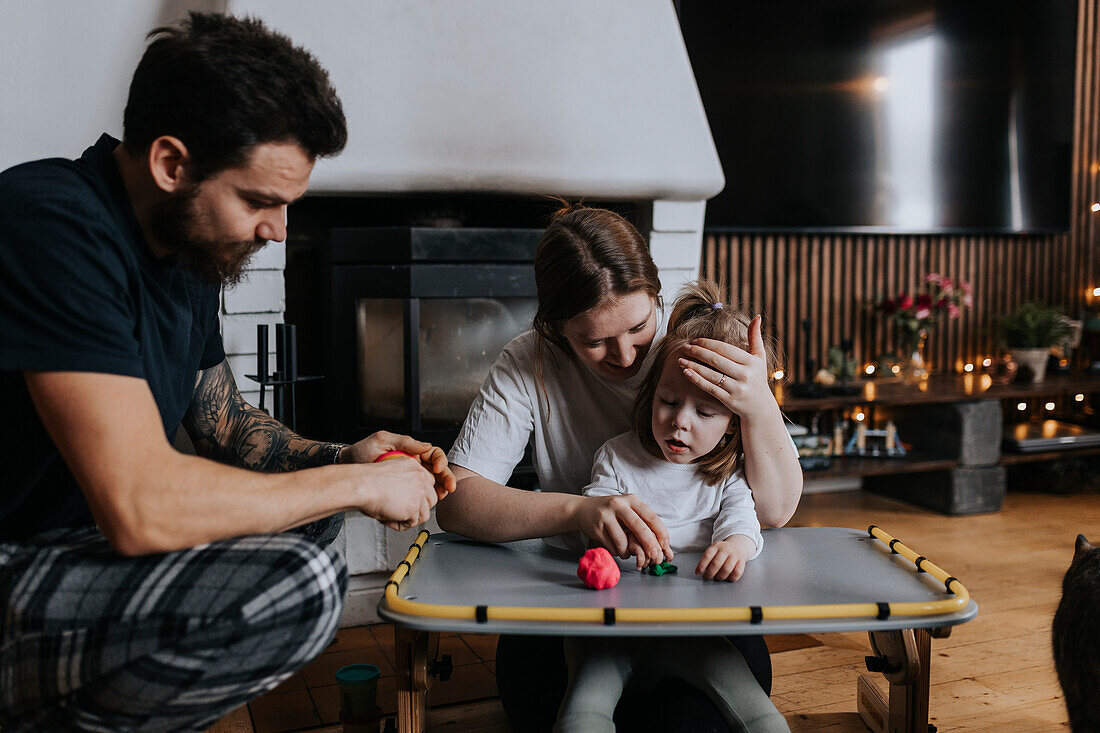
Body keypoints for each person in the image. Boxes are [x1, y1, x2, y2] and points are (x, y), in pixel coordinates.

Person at [0, 13, 453, 731]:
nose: (277, 230)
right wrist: (362, 485)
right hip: (17, 560)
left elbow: (228, 425)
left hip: (80, 552)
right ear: (171, 164)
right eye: (259, 201)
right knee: (297, 583)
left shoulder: (190, 251)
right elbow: (140, 503)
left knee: (312, 533)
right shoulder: (51, 225)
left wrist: (349, 456)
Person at [438, 204, 803, 731]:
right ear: (555, 327)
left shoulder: (695, 352)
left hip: (697, 609)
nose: (627, 356)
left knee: (696, 720)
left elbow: (774, 510)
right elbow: (455, 500)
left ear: (656, 295)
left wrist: (759, 404)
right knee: (556, 707)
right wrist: (580, 512)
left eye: (638, 326)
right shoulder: (529, 362)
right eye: (594, 340)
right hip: (578, 604)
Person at [556, 280, 789, 733]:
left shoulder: (726, 477)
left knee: (760, 715)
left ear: (731, 427)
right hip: (611, 632)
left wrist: (736, 548)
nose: (679, 421)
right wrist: (606, 542)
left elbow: (744, 522)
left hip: (696, 631)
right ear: (651, 394)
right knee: (582, 714)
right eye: (667, 401)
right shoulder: (617, 457)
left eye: (705, 413)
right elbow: (597, 514)